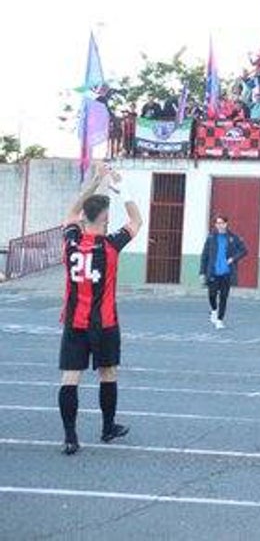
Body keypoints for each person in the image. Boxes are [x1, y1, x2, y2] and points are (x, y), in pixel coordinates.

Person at [57, 164, 143, 455]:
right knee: (108, 373)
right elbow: (136, 220)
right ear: (104, 219)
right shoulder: (110, 246)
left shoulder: (71, 241)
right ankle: (107, 427)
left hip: (74, 321)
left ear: (84, 218)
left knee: (70, 378)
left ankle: (70, 436)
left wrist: (95, 181)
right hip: (104, 322)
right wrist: (121, 188)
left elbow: (71, 213)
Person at [198, 215, 248, 329]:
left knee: (224, 297)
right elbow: (204, 255)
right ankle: (214, 310)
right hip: (213, 272)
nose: (219, 225)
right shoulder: (211, 237)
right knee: (211, 295)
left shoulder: (232, 237)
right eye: (217, 223)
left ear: (226, 224)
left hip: (226, 273)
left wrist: (233, 258)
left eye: (221, 223)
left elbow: (244, 250)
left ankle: (220, 320)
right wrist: (202, 272)